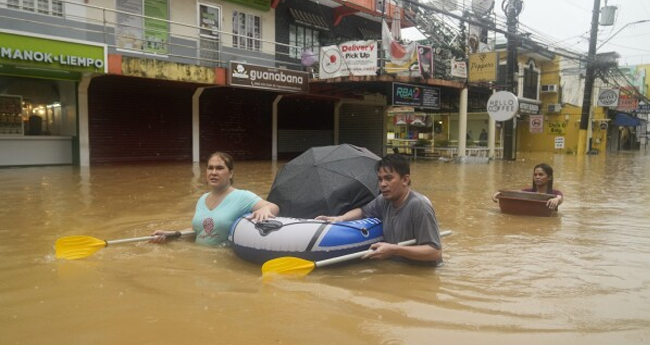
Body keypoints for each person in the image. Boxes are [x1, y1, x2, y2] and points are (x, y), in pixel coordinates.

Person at [316, 154, 442, 265]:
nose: (383, 184)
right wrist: (341, 218)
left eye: (388, 178)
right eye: (380, 179)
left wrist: (394, 250)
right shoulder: (384, 200)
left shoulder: (419, 207)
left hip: (420, 274)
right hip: (396, 268)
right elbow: (363, 212)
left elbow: (434, 251)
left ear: (405, 180)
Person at [151, 152, 279, 246]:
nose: (213, 172)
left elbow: (274, 207)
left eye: (219, 168)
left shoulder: (242, 196)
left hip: (223, 262)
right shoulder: (202, 199)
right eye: (210, 168)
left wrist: (265, 209)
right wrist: (170, 235)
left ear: (230, 173)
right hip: (198, 261)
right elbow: (199, 231)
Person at [492, 163, 564, 210]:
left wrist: (556, 200)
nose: (537, 177)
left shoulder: (555, 193)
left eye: (541, 175)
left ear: (549, 177)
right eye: (535, 175)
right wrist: (500, 193)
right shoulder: (528, 191)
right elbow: (514, 193)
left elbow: (559, 198)